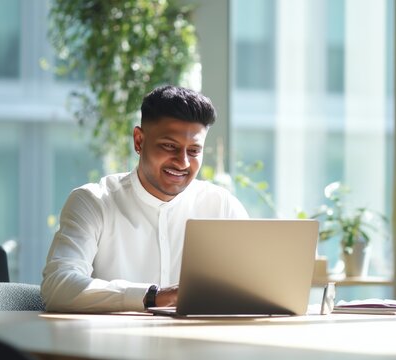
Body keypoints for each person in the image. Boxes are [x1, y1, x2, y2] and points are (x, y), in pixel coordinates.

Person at [41, 85, 249, 312]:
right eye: (169, 146)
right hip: (114, 345)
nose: (183, 163)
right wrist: (154, 296)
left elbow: (255, 286)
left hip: (200, 344)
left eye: (194, 151)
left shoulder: (221, 206)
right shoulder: (93, 202)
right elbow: (57, 286)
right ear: (139, 141)